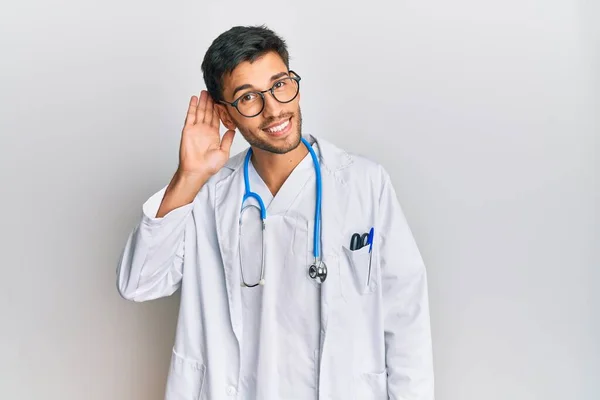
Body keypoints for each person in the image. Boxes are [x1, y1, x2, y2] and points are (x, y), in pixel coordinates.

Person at [117, 25, 434, 400]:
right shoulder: (207, 195)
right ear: (227, 115)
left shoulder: (365, 184)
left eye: (280, 85)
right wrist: (189, 176)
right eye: (248, 97)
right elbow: (139, 283)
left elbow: (406, 316)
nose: (274, 109)